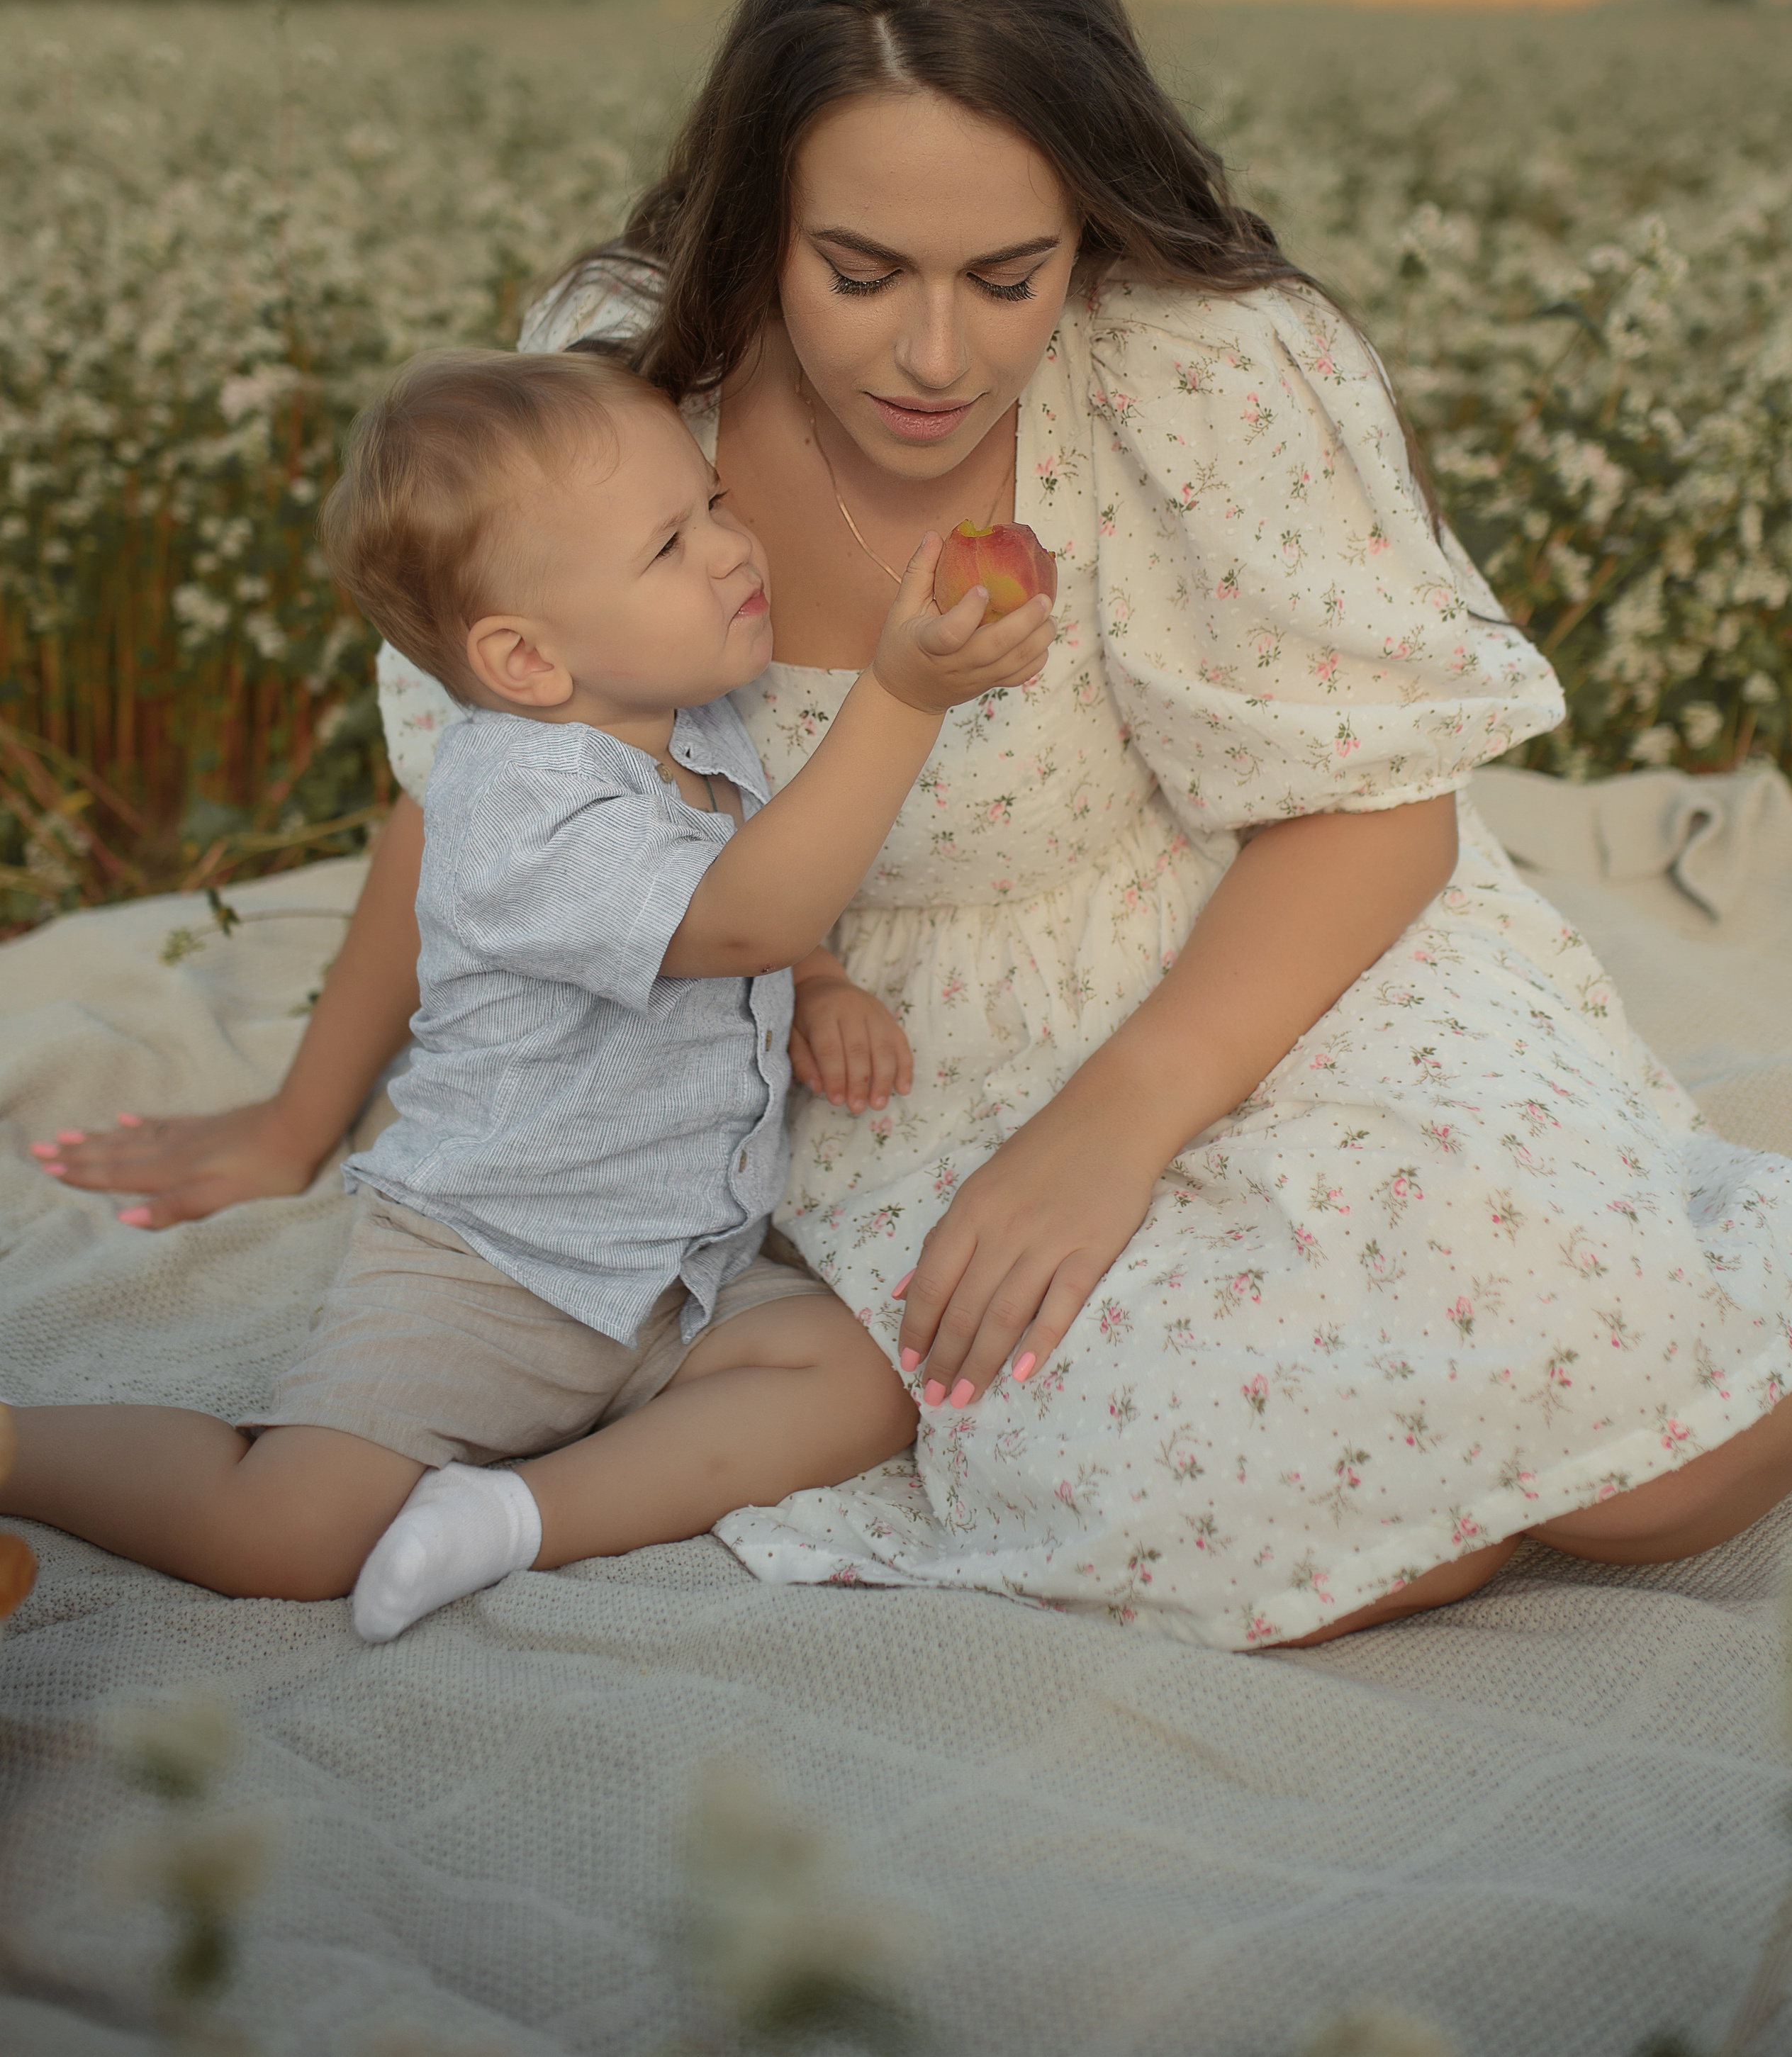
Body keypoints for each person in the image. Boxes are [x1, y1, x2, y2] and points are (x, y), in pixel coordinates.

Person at [34, 0, 1792, 1650]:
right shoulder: (622, 369)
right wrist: (294, 1115)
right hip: (897, 1047)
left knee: (1656, 1467)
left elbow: (1370, 803)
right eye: (859, 271)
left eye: (1008, 275)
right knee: (1314, 1522)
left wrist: (1116, 1120)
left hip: (1268, 949)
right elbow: (494, 771)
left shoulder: (1201, 361)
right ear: (759, 215)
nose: (934, 355)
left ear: (1089, 232)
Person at [4, 342, 1053, 1636]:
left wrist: (821, 979)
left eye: (714, 506)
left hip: (683, 1269)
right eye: (670, 547)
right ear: (525, 661)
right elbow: (740, 913)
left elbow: (757, 897)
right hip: (491, 1269)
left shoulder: (693, 721)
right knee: (282, 1534)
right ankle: (15, 1446)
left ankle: (512, 1517)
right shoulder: (516, 804)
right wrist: (901, 697)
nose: (734, 549)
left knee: (861, 1386)